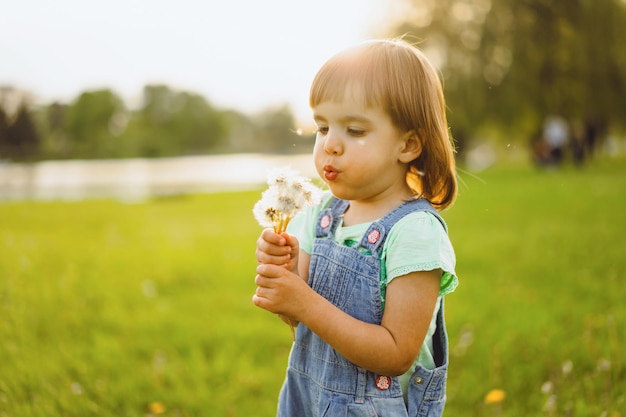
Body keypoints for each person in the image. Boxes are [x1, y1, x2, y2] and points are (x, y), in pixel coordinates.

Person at [253, 38, 458, 417]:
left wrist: (303, 300)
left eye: (355, 131)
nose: (330, 145)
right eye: (322, 127)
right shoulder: (321, 216)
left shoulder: (414, 232)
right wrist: (284, 274)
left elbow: (396, 353)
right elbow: (298, 318)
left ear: (408, 144)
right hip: (307, 401)